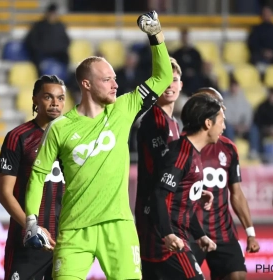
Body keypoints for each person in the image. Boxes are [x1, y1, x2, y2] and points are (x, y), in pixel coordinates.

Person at [23, 11, 173, 280]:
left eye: (115, 78)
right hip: (73, 231)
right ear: (86, 84)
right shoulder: (60, 127)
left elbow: (162, 79)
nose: (116, 85)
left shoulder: (124, 108)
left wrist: (156, 35)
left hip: (119, 226)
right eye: (107, 80)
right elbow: (38, 175)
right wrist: (31, 221)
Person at [144, 94, 223, 280]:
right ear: (208, 123)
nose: (224, 127)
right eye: (221, 121)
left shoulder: (192, 152)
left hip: (174, 237)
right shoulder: (182, 152)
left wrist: (199, 235)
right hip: (168, 243)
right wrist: (167, 234)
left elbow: (182, 201)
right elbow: (159, 195)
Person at [0, 75, 66, 280]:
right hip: (27, 243)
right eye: (48, 97)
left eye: (61, 98)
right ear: (35, 99)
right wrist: (31, 227)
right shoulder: (18, 137)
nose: (55, 103)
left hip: (65, 243)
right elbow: (4, 192)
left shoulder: (73, 139)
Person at [191, 88, 260, 280]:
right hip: (191, 232)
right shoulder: (184, 145)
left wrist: (250, 233)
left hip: (222, 231)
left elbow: (236, 193)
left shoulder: (229, 148)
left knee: (237, 276)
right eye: (216, 105)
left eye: (221, 105)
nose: (222, 110)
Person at [135, 57, 184, 278]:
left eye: (174, 79)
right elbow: (165, 168)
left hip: (166, 212)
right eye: (165, 80)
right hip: (153, 213)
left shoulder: (174, 122)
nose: (170, 85)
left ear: (181, 84)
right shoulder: (153, 119)